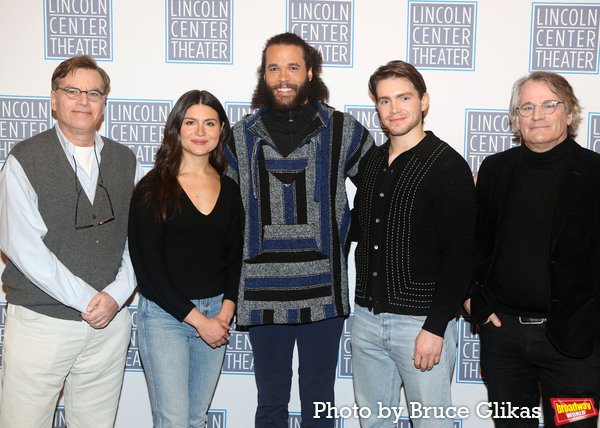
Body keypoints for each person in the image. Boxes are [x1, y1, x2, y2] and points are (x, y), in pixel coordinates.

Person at [225, 32, 373, 427]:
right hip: (260, 291)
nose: (283, 76)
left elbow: (380, 191)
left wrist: (345, 230)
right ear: (264, 75)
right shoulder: (238, 137)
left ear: (310, 72)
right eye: (274, 68)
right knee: (270, 401)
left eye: (292, 66)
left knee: (320, 401)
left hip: (323, 290)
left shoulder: (344, 130)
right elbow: (216, 210)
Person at [0, 55, 142, 427]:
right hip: (41, 323)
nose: (84, 101)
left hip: (110, 325)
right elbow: (23, 247)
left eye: (94, 93)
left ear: (103, 103)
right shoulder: (24, 159)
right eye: (72, 91)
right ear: (53, 99)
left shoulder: (126, 160)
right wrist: (87, 300)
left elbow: (139, 240)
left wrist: (115, 296)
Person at [466, 71, 600, 427]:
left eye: (548, 105)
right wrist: (472, 300)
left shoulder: (595, 173)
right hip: (503, 338)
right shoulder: (494, 170)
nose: (537, 115)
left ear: (569, 114)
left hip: (573, 343)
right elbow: (469, 242)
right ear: (516, 118)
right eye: (527, 107)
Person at [350, 60, 476, 428]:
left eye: (404, 98)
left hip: (421, 323)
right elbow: (362, 231)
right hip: (367, 320)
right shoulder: (372, 162)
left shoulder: (447, 166)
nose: (394, 109)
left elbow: (460, 255)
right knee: (373, 423)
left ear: (424, 101)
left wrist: (435, 327)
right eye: (385, 100)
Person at [128, 89, 243, 428]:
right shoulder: (152, 189)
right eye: (191, 122)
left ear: (221, 129)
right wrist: (200, 321)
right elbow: (148, 272)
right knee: (174, 420)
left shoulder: (230, 188)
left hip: (217, 314)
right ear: (176, 128)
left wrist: (225, 311)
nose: (200, 132)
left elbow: (236, 256)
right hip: (166, 319)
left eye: (210, 123)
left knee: (195, 418)